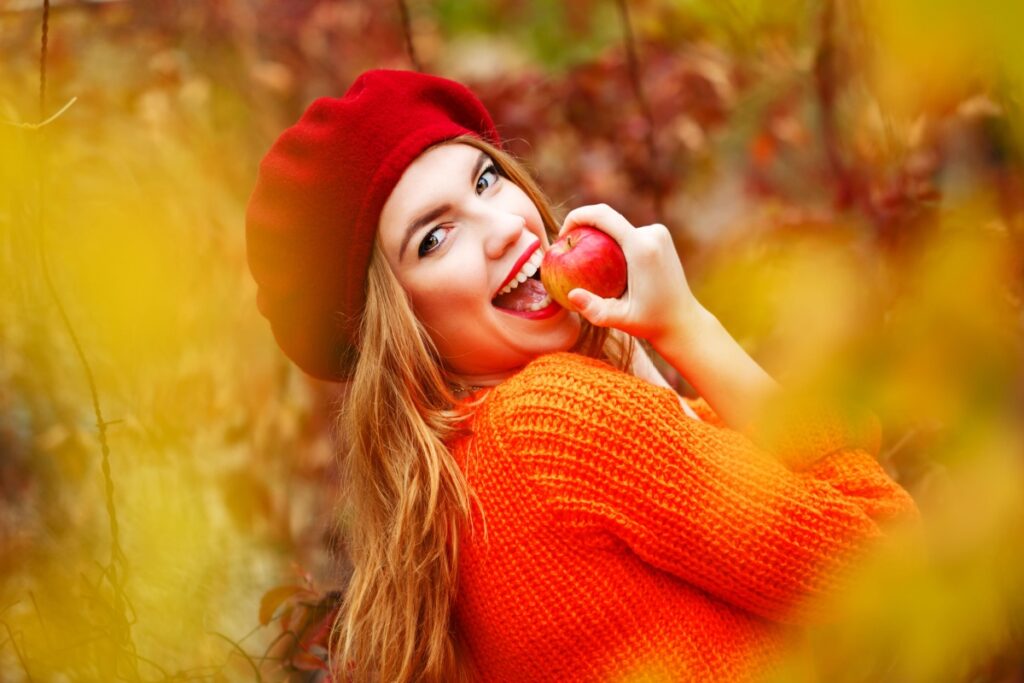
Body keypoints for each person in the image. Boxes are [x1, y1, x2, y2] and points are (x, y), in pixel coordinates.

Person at [245, 69, 917, 683]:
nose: (504, 227)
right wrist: (686, 323)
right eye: (434, 237)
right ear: (398, 327)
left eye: (485, 181)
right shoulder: (552, 422)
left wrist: (639, 358)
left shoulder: (456, 483)